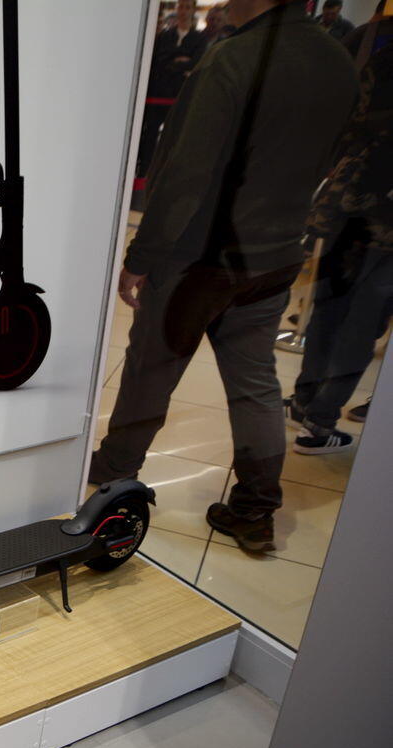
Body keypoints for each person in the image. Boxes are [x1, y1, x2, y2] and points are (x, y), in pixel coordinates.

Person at [89, 0, 358, 552]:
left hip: (201, 260)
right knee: (255, 387)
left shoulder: (233, 58)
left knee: (150, 372)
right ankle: (256, 508)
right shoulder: (337, 59)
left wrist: (143, 254)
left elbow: (184, 172)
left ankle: (115, 477)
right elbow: (333, 156)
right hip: (276, 255)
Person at [286, 13, 393, 452]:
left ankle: (305, 401)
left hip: (346, 199)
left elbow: (340, 120)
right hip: (385, 219)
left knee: (332, 307)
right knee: (363, 320)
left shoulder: (373, 45)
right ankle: (320, 421)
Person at [137, 0, 210, 179]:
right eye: (181, 7)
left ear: (193, 10)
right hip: (159, 93)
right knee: (150, 134)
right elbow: (158, 60)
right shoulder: (165, 36)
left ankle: (168, 174)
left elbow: (196, 62)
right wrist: (180, 62)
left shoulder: (199, 38)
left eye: (187, 7)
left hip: (180, 94)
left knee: (176, 136)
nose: (183, 11)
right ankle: (145, 171)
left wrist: (174, 62)